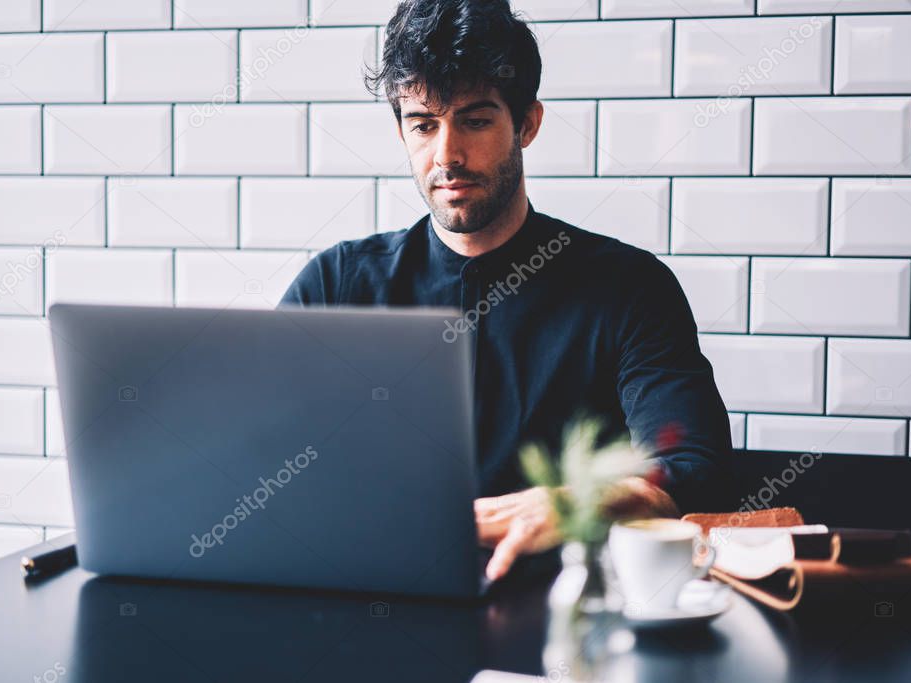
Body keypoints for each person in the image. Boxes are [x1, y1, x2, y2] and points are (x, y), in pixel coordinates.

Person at [279, 0, 734, 581]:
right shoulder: (337, 283)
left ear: (526, 123)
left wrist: (573, 504)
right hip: (371, 600)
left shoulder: (631, 288)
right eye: (423, 124)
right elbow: (260, 461)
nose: (446, 155)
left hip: (565, 618)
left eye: (474, 120)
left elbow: (696, 469)